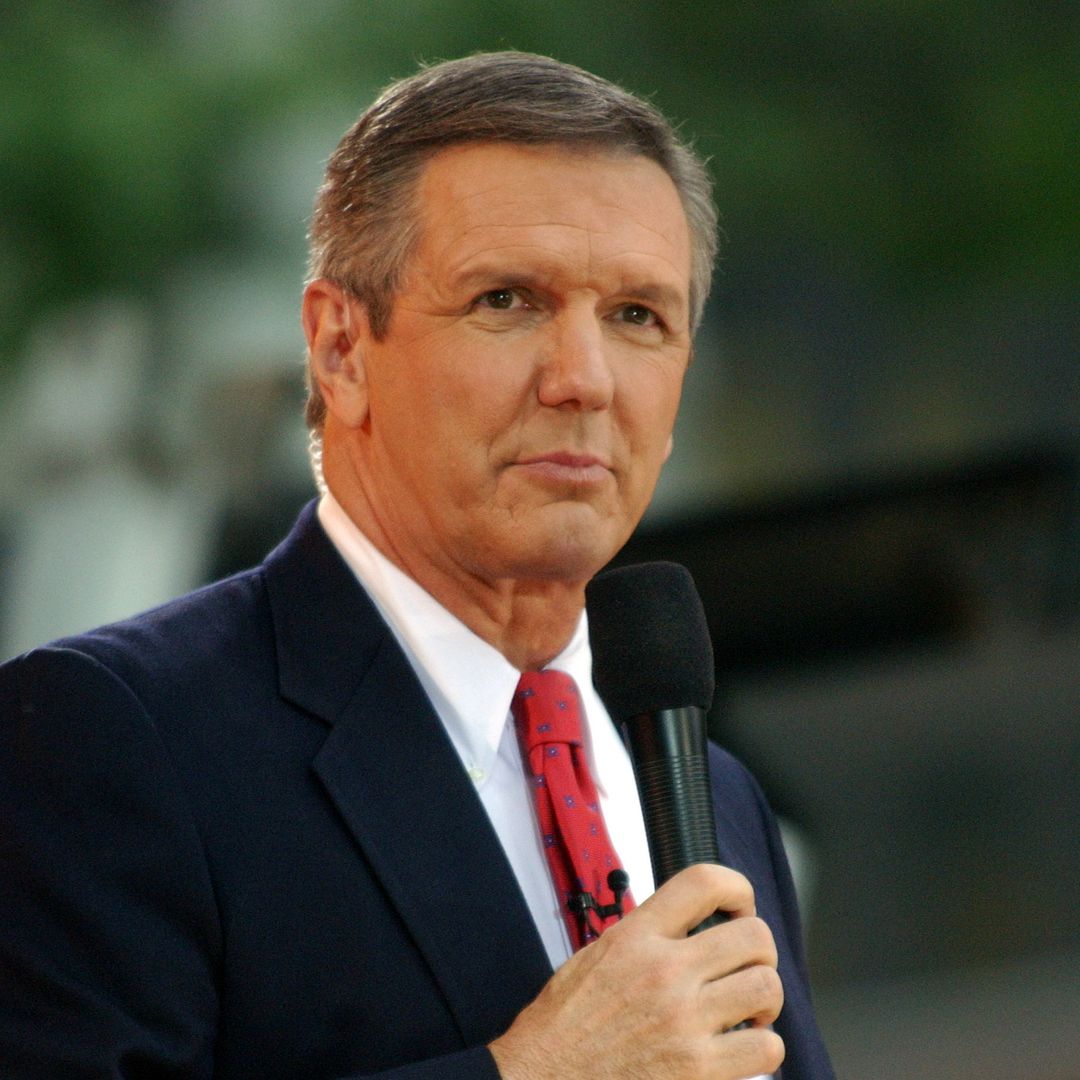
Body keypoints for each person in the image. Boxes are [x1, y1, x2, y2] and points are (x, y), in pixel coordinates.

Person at [0, 52, 834, 1079]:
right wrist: (536, 1072)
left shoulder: (716, 791)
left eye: (637, 317)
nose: (584, 380)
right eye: (507, 301)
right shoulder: (111, 737)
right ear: (340, 350)